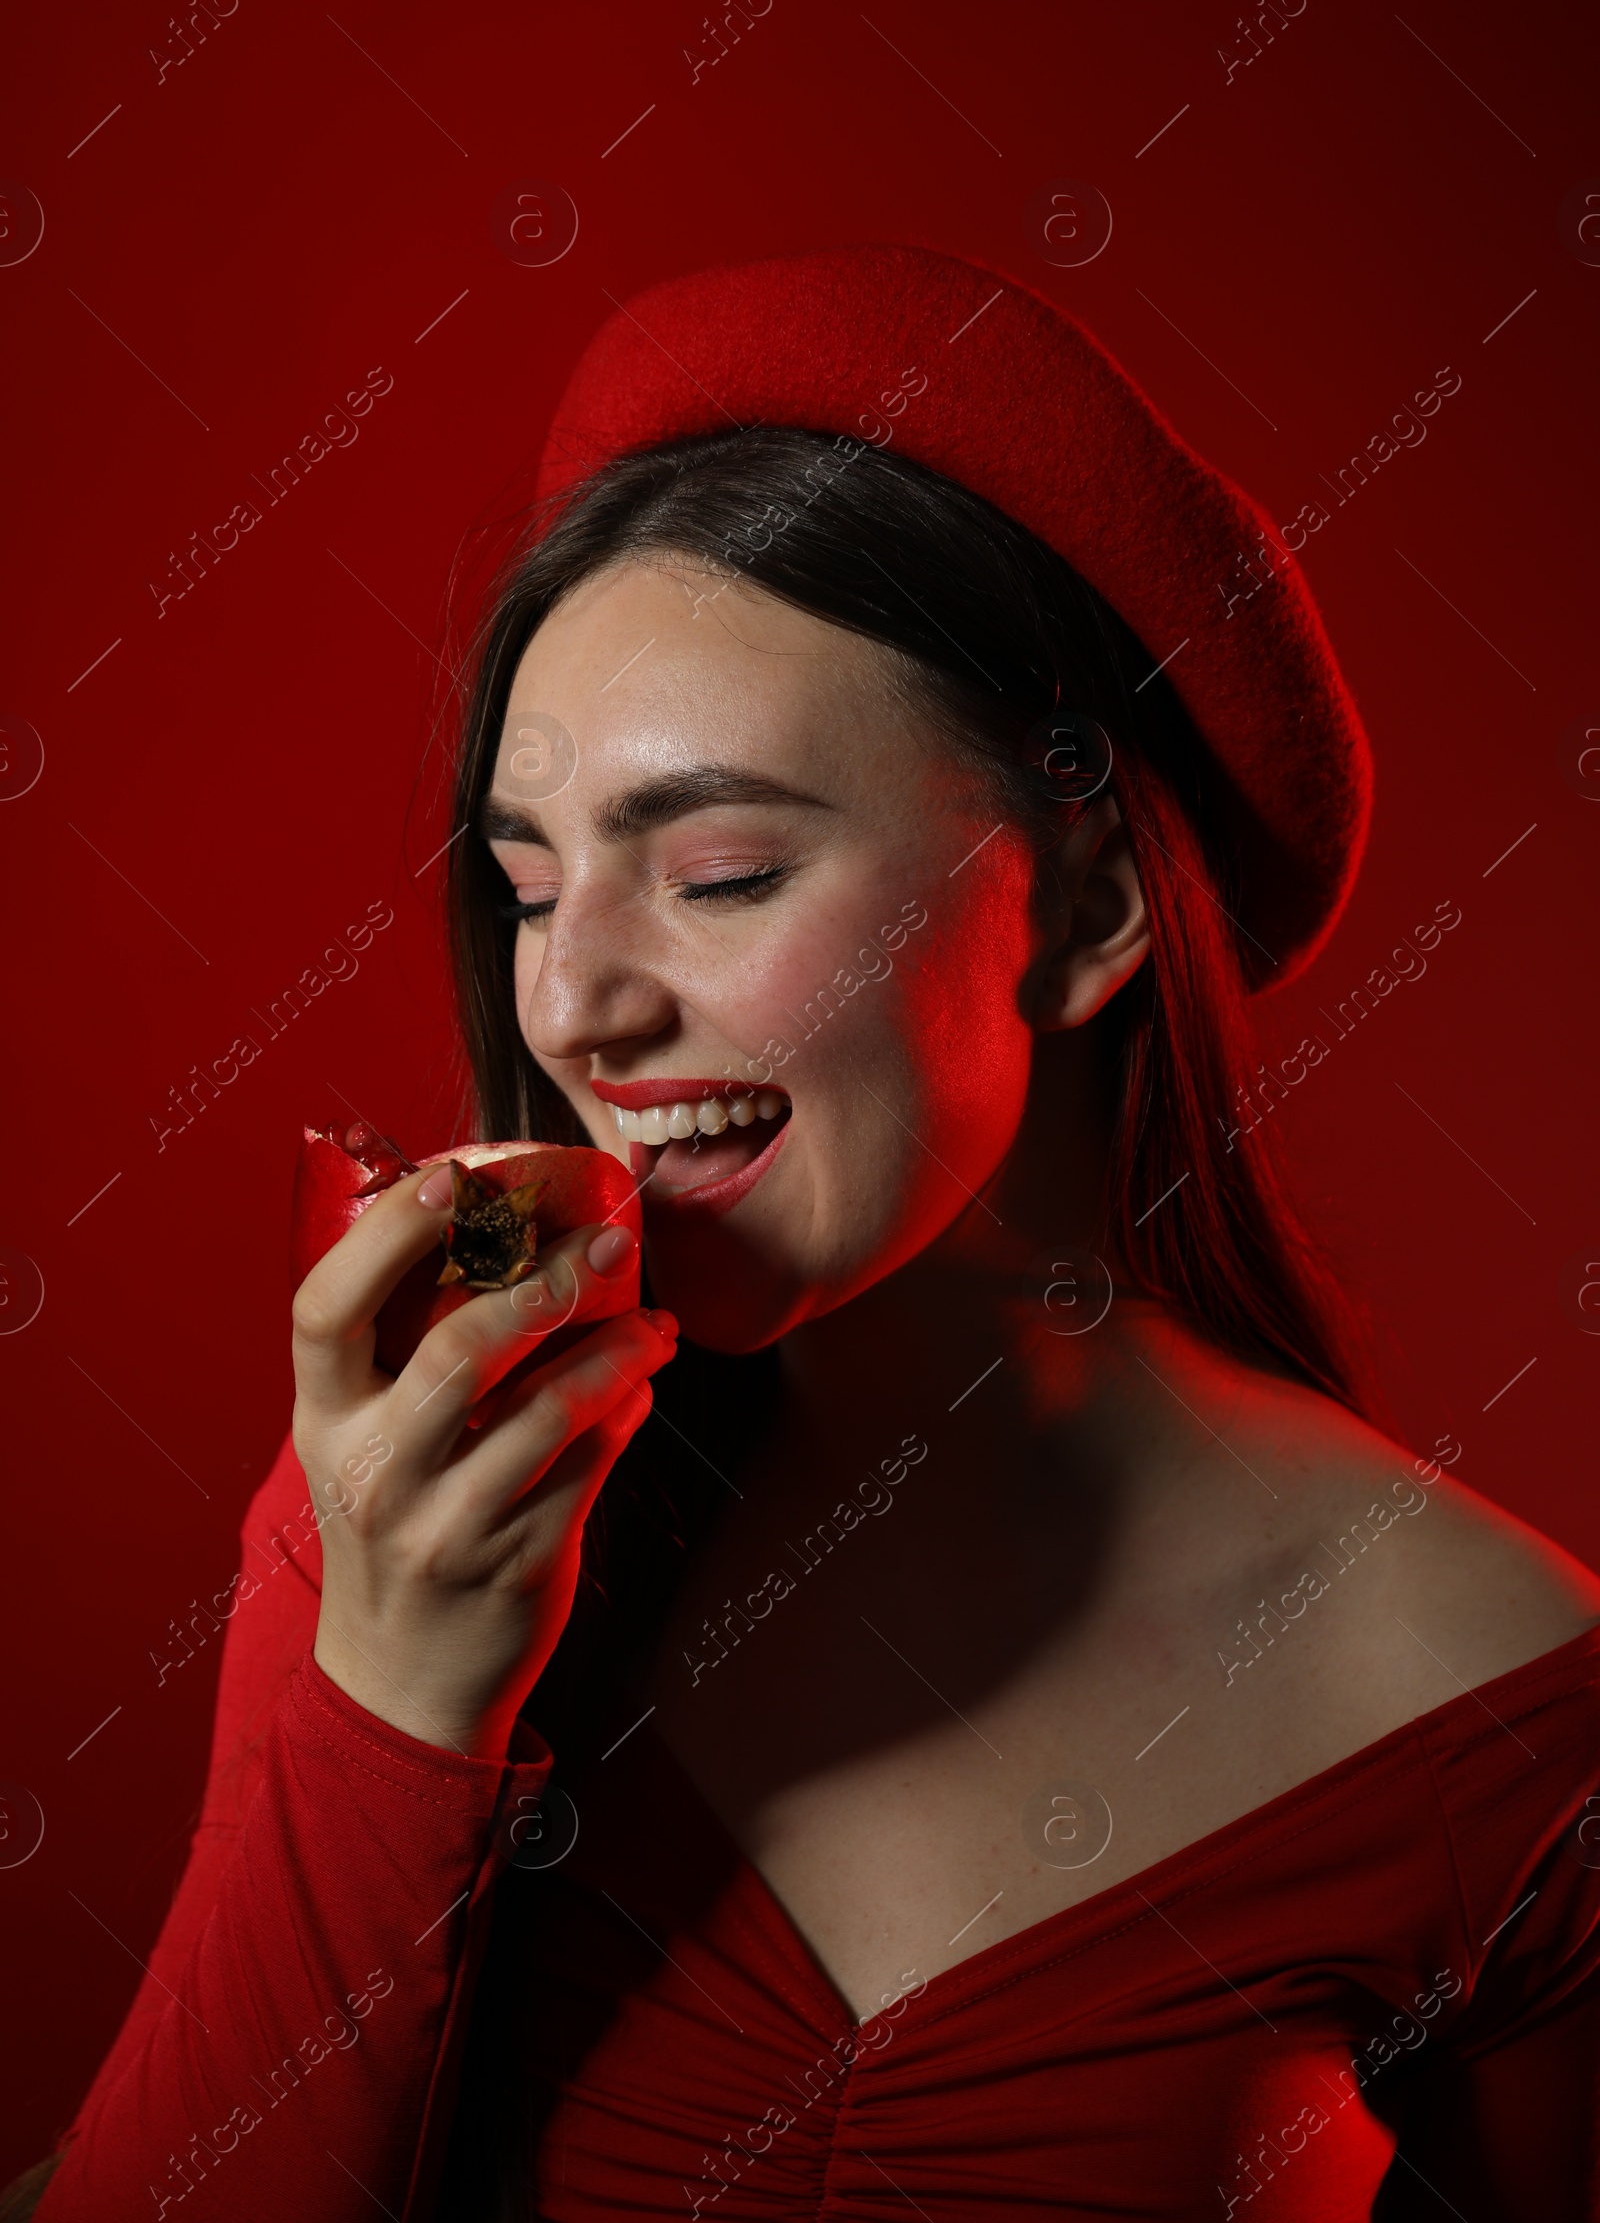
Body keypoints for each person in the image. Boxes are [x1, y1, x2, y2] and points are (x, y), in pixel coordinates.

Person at [23, 247, 1600, 2222]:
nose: (569, 1006)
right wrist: (388, 1703)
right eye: (526, 886)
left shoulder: (1507, 1716)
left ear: (1087, 906)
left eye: (719, 872)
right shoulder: (418, 1506)